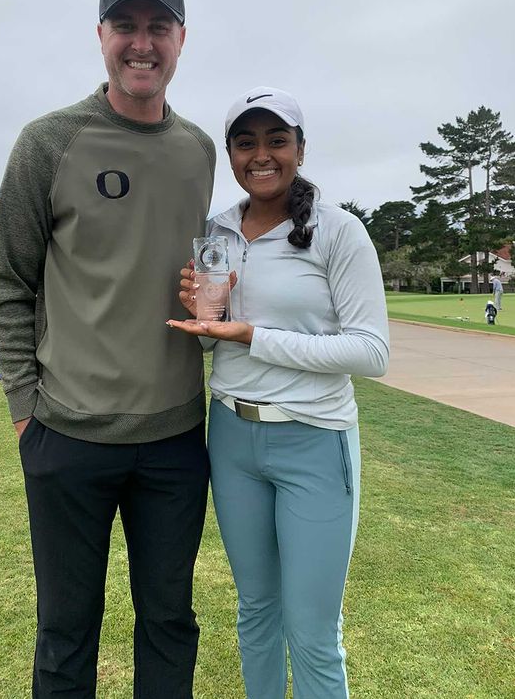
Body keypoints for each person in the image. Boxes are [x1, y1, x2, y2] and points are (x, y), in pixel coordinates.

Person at [0, 0, 216, 698]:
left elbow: (199, 272)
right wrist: (26, 412)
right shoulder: (47, 143)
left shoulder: (201, 152)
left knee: (169, 624)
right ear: (100, 34)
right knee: (65, 632)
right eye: (125, 26)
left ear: (182, 38)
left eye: (157, 28)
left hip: (175, 440)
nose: (140, 44)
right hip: (67, 439)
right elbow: (8, 284)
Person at [167, 87, 389, 699]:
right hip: (233, 440)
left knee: (313, 631)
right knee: (256, 612)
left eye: (276, 141)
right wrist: (206, 320)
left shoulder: (339, 231)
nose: (261, 155)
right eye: (246, 143)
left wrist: (252, 334)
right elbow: (214, 344)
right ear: (232, 155)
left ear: (299, 149)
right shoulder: (214, 232)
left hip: (314, 441)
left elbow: (372, 352)